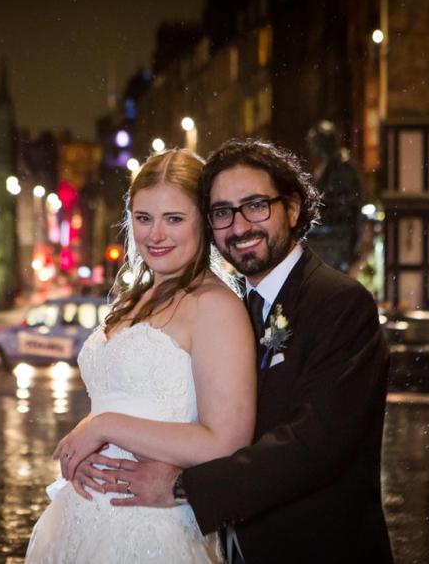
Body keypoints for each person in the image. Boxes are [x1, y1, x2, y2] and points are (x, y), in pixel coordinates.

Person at [78, 139, 393, 563]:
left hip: (315, 549)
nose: (240, 226)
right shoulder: (238, 305)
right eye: (223, 212)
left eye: (256, 206)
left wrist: (181, 487)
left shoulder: (338, 303)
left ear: (293, 208)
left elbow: (314, 447)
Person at [24, 148, 257, 563]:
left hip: (152, 527)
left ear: (203, 220)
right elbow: (124, 397)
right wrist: (87, 434)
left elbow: (227, 441)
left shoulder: (214, 306)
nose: (155, 235)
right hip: (82, 518)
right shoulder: (136, 298)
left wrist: (105, 427)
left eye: (174, 219)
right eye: (144, 218)